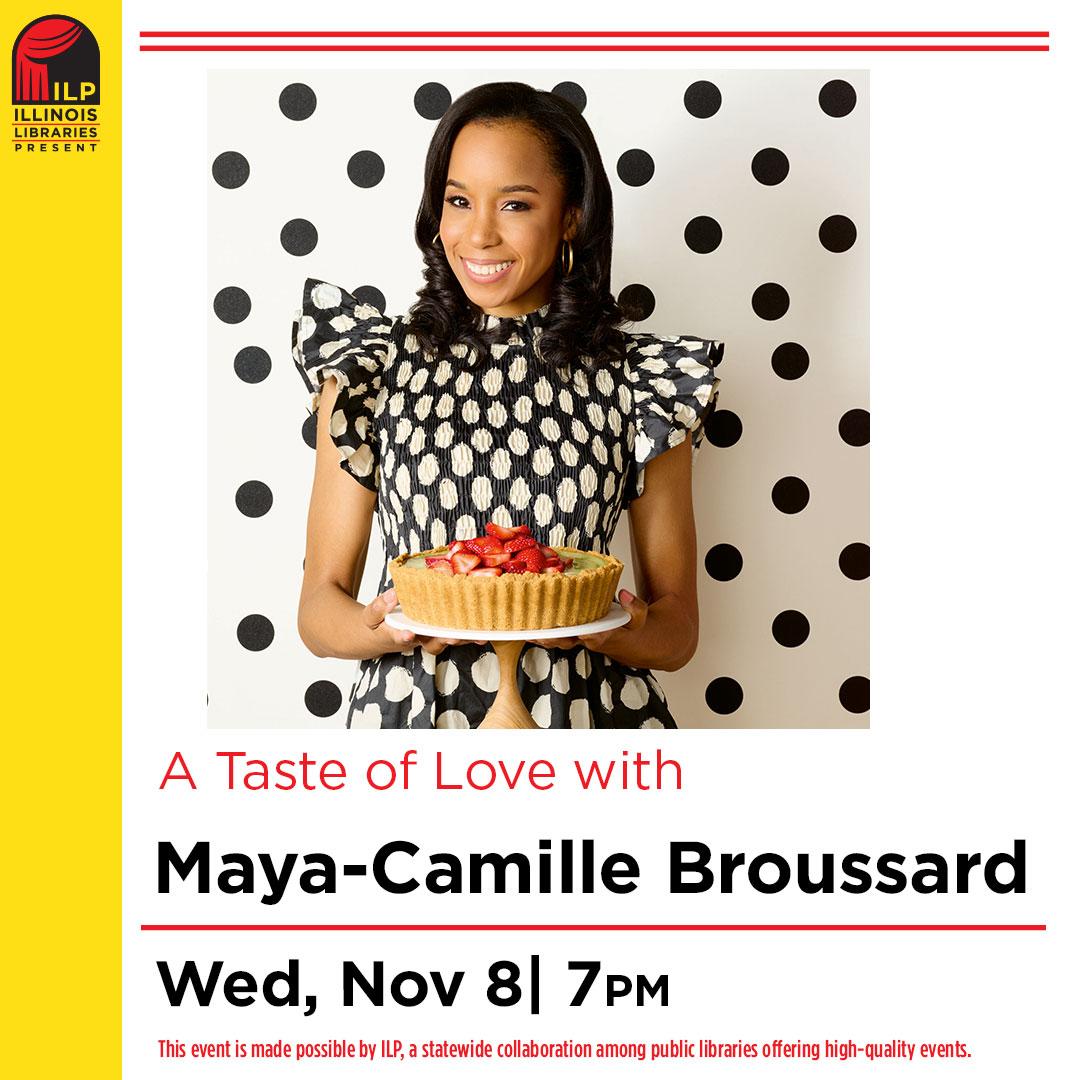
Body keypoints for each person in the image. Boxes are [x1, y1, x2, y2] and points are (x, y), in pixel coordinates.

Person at [291, 81, 723, 729]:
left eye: (516, 204)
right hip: (411, 724)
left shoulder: (641, 380)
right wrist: (385, 629)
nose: (479, 234)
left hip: (591, 725)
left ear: (571, 214)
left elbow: (678, 631)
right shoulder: (372, 366)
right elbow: (318, 611)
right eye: (458, 200)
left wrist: (609, 629)